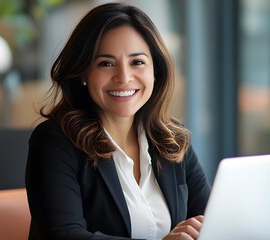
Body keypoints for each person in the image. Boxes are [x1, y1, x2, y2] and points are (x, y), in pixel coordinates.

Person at [25, 2, 211, 239]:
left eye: (137, 62)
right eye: (106, 63)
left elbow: (211, 220)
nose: (124, 77)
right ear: (83, 72)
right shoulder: (54, 141)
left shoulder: (173, 141)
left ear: (156, 71)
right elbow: (64, 235)